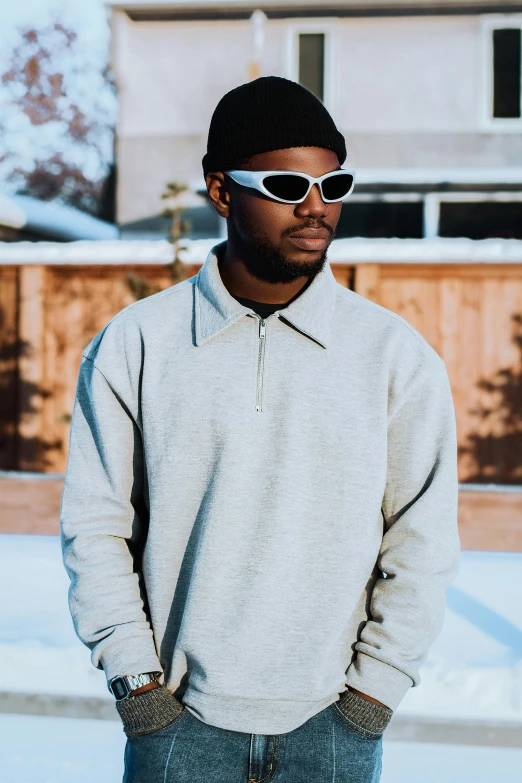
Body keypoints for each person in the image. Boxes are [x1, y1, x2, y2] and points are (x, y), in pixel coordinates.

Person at [60, 76, 461, 783]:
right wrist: (140, 691)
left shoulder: (395, 357)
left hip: (332, 732)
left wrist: (372, 698)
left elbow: (422, 542)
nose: (315, 206)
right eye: (285, 184)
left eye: (333, 184)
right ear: (221, 191)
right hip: (176, 731)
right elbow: (95, 528)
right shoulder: (137, 344)